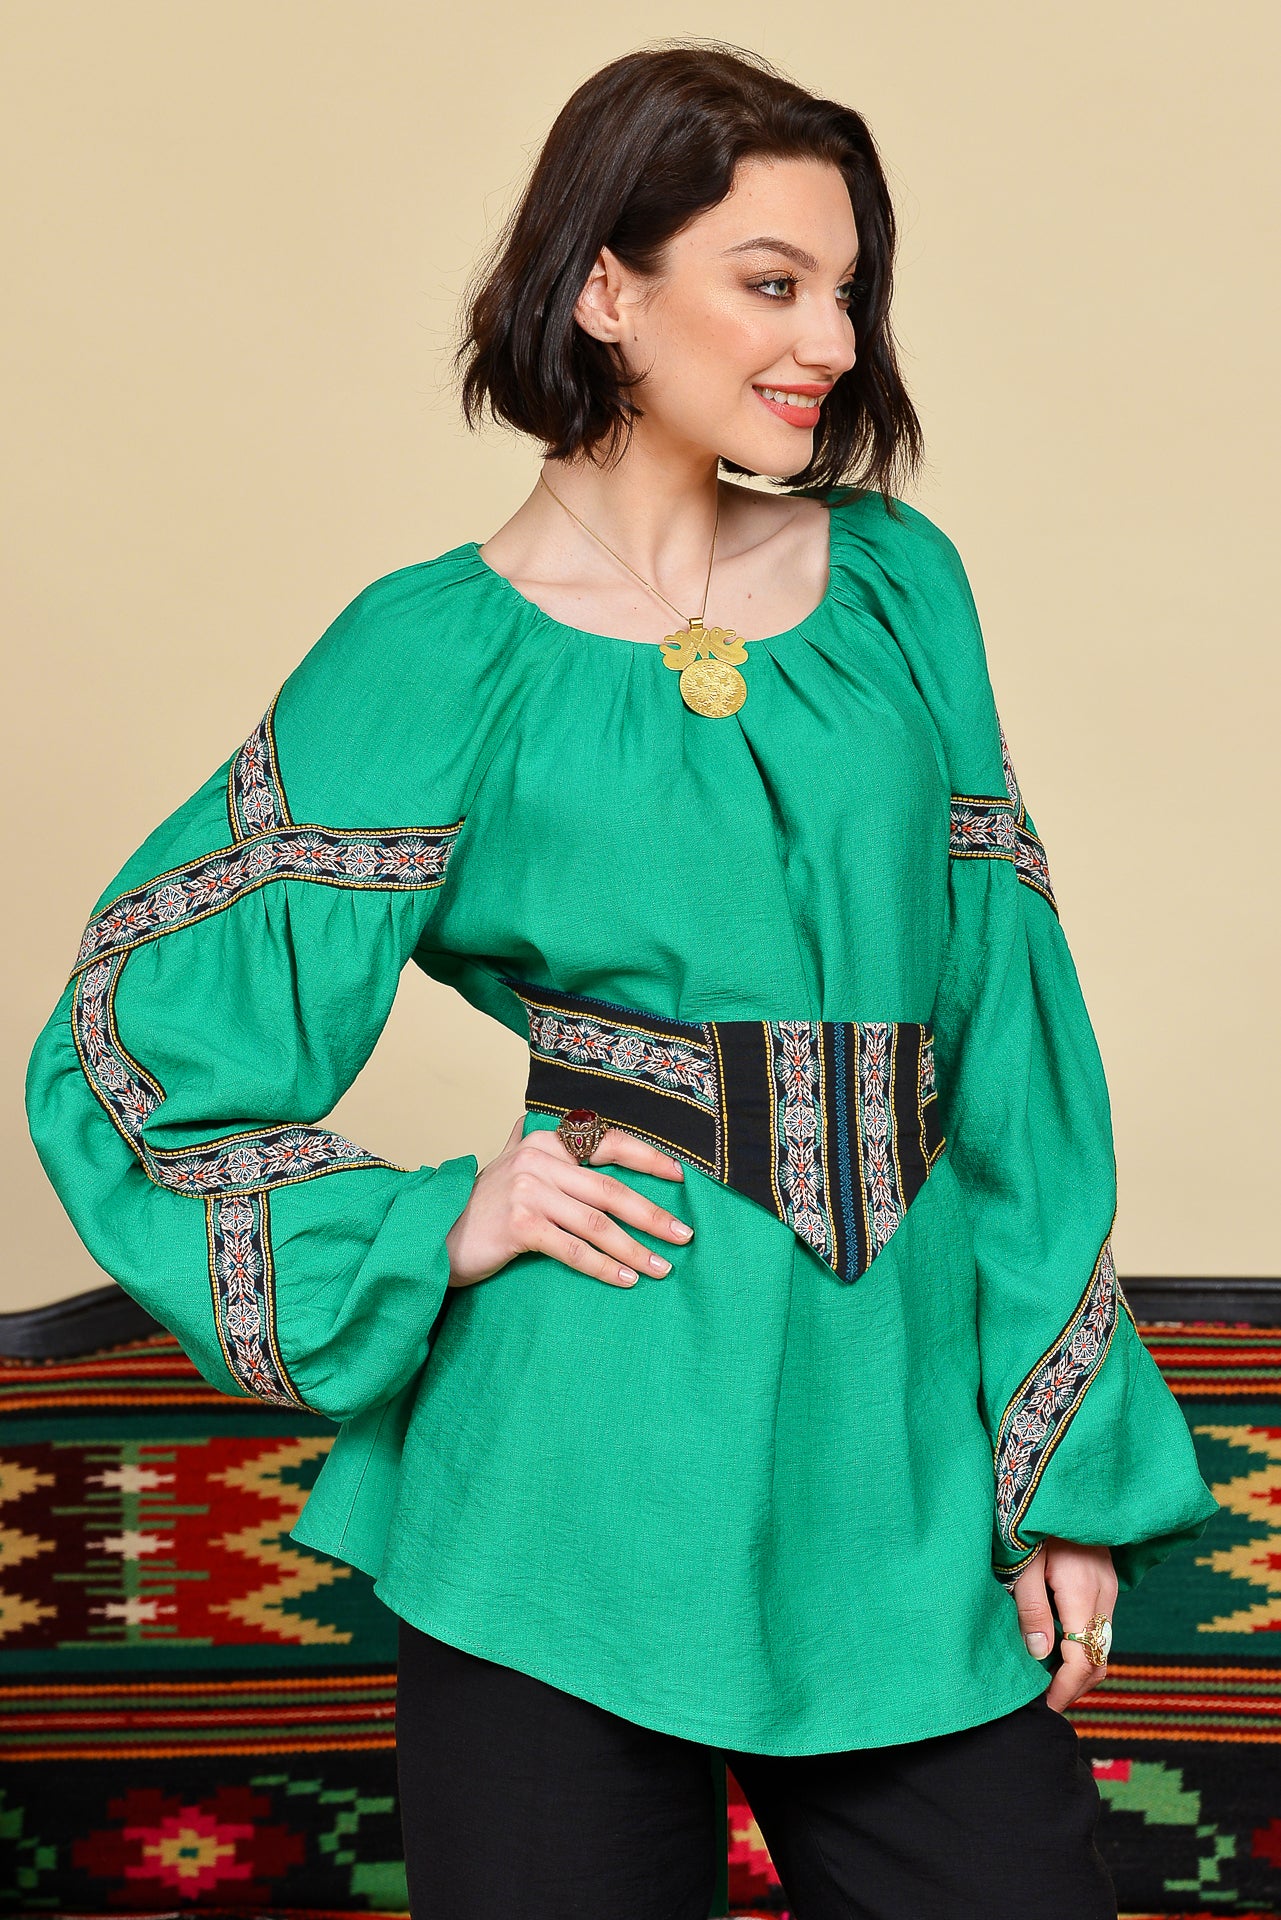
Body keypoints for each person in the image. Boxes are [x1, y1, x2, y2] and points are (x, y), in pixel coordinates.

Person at [25, 39, 1220, 1920]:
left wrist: (1059, 1467)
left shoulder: (898, 589)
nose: (828, 339)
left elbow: (1011, 1035)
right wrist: (431, 1220)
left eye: (846, 290)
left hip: (894, 1463)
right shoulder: (432, 654)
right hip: (564, 1478)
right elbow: (129, 1044)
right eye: (771, 282)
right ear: (604, 286)